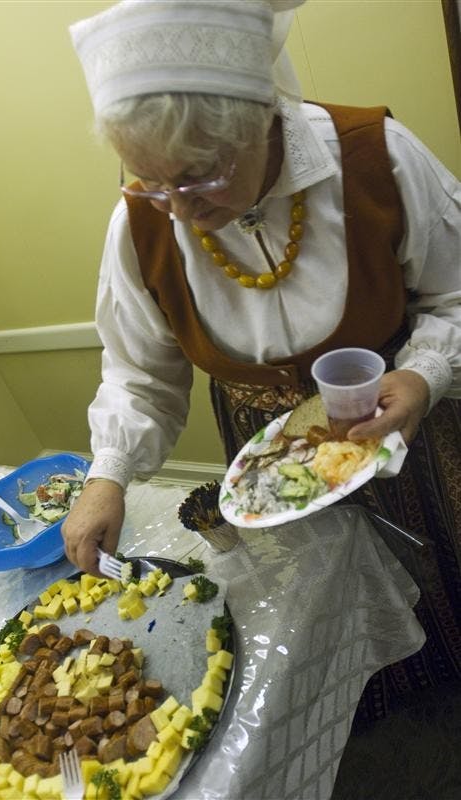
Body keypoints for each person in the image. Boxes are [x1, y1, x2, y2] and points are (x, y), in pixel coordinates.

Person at [63, 0, 461, 722]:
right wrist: (107, 475)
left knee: (440, 572)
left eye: (200, 176)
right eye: (149, 181)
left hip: (397, 419)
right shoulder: (143, 219)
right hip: (266, 464)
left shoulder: (376, 157)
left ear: (262, 119)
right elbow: (139, 373)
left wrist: (423, 373)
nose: (176, 209)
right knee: (320, 610)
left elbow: (455, 295)